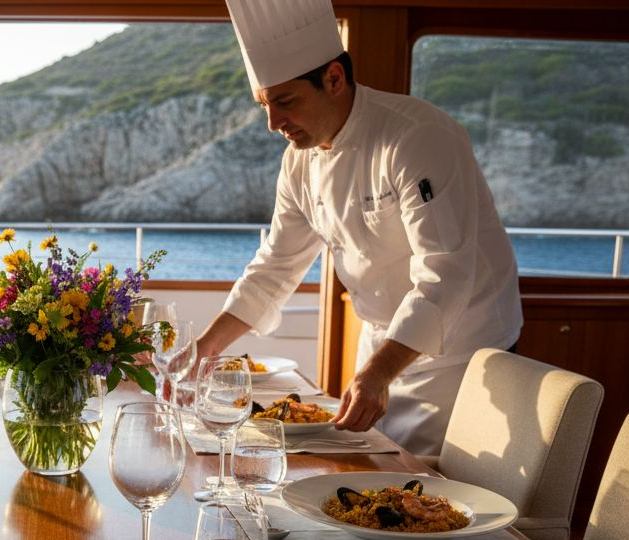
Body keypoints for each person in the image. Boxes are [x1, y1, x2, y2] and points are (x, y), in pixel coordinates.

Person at [198, 0, 522, 456]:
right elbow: (276, 262)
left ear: (334, 79)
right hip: (381, 345)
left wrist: (378, 372)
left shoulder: (417, 137)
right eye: (264, 106)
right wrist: (203, 350)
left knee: (427, 496)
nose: (273, 124)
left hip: (461, 357)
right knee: (370, 481)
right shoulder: (299, 162)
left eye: (285, 102)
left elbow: (445, 274)